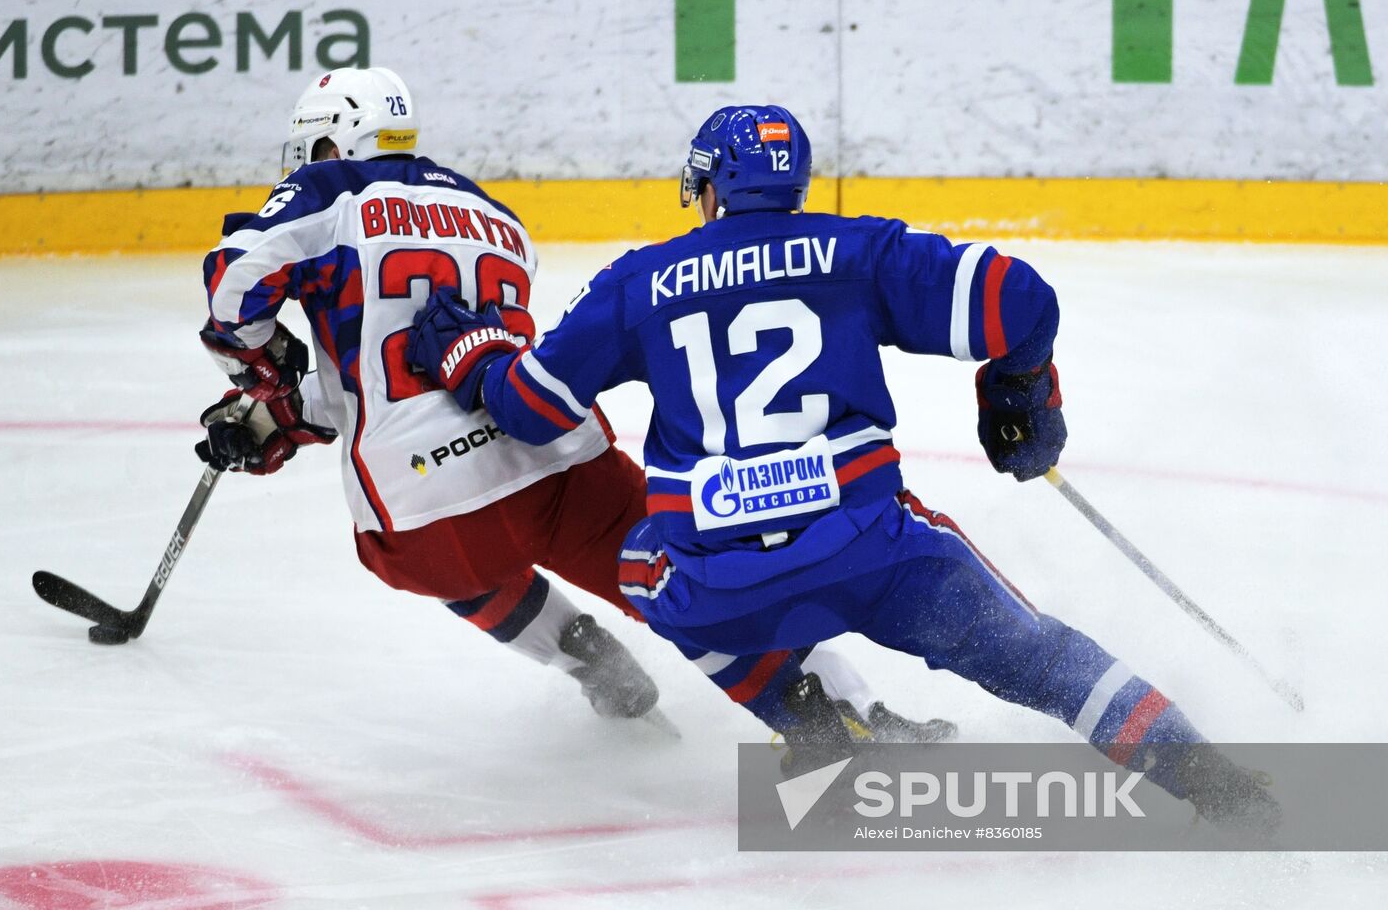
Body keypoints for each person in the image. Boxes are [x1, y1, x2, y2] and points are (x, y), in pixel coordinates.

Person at [406, 103, 1277, 823]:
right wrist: (1020, 400)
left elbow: (531, 408)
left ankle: (799, 714)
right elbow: (1022, 301)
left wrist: (474, 358)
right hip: (878, 558)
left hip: (719, 584)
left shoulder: (639, 282)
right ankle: (1219, 786)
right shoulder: (858, 253)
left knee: (640, 557)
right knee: (1042, 659)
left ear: (710, 189)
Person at [194, 70, 951, 743]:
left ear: (335, 143)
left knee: (448, 549)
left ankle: (579, 650)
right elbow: (433, 360)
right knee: (703, 583)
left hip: (426, 511)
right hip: (556, 464)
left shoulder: (328, 192)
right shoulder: (494, 215)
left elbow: (244, 292)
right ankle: (849, 713)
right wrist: (285, 407)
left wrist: (266, 384)